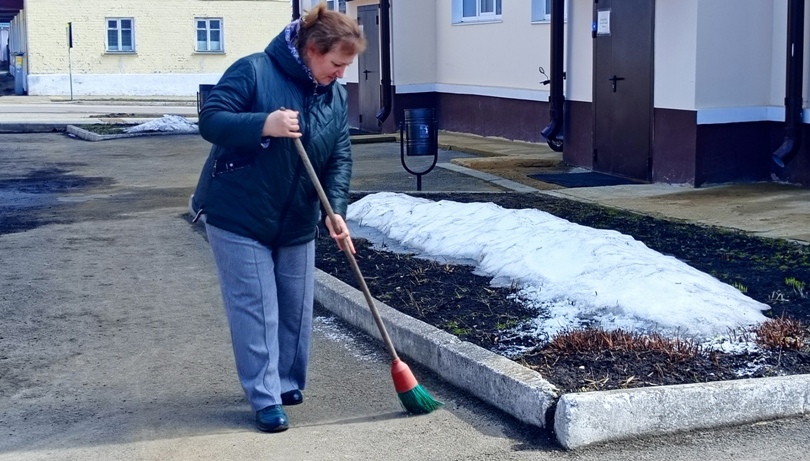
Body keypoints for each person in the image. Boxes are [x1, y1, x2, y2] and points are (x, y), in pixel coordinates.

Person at [190, 3, 366, 433]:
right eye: (337, 63)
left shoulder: (334, 94)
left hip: (297, 218)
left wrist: (334, 209)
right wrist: (263, 124)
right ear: (312, 49)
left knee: (295, 307)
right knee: (257, 308)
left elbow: (339, 157)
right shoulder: (253, 70)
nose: (342, 73)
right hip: (239, 213)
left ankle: (285, 381)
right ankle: (265, 396)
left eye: (346, 66)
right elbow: (211, 121)